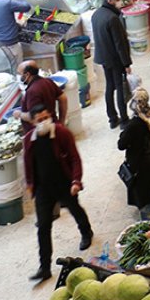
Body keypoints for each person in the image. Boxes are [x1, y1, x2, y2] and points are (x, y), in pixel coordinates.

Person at [24, 105, 92, 282]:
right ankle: (44, 267)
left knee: (75, 208)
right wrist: (30, 184)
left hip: (64, 183)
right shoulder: (29, 140)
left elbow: (74, 158)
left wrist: (76, 181)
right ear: (32, 122)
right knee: (43, 226)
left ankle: (86, 233)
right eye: (39, 120)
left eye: (46, 118)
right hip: (43, 189)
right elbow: (28, 163)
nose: (43, 122)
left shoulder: (62, 133)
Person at [91, 0, 132, 129]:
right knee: (120, 87)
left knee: (109, 86)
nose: (121, 2)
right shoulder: (113, 18)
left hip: (103, 57)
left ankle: (112, 118)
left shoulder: (96, 14)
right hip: (115, 59)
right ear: (110, 1)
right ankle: (125, 119)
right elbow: (119, 43)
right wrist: (126, 63)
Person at [117, 115, 150, 211]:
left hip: (138, 165)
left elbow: (121, 145)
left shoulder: (133, 125)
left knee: (143, 197)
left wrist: (122, 134)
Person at [15, 61, 67, 132]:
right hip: (54, 126)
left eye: (19, 74)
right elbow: (63, 98)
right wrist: (61, 122)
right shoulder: (47, 81)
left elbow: (33, 116)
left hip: (42, 133)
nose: (19, 76)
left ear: (27, 74)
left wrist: (19, 114)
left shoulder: (32, 91)